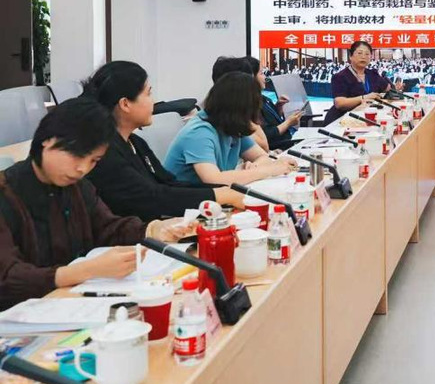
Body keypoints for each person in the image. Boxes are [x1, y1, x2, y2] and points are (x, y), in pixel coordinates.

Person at [0, 98, 195, 309]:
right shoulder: (7, 192)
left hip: (73, 303)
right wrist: (86, 270)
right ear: (47, 140)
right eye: (77, 156)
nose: (83, 169)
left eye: (94, 160)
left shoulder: (78, 186)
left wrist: (154, 230)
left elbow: (107, 228)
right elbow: (8, 278)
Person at [83, 61, 245, 221]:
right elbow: (151, 197)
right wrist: (220, 195)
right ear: (125, 104)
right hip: (132, 234)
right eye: (148, 94)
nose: (153, 102)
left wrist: (225, 191)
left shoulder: (136, 142)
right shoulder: (105, 152)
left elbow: (168, 183)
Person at [164, 72, 295, 186]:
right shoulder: (199, 132)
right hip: (187, 201)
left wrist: (255, 167)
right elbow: (213, 180)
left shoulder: (232, 126)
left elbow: (262, 156)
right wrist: (267, 170)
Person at [211, 56, 302, 150]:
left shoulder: (258, 102)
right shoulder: (216, 125)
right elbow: (264, 144)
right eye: (261, 73)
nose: (265, 77)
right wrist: (288, 123)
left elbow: (261, 151)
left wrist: (278, 108)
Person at [325, 41, 403, 124]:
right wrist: (363, 98)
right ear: (351, 56)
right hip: (342, 120)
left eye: (367, 54)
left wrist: (395, 89)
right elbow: (339, 103)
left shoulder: (373, 74)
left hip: (367, 118)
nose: (363, 57)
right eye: (359, 53)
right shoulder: (340, 76)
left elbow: (387, 89)